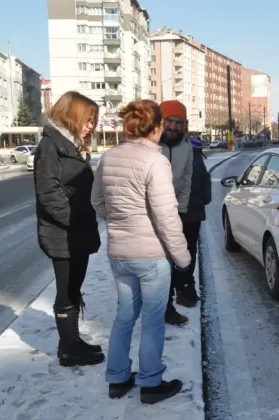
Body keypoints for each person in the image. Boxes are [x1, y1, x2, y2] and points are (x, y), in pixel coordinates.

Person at [91, 100, 191, 404]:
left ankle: (118, 378)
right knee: (152, 320)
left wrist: (122, 221)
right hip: (150, 256)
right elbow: (166, 216)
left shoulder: (109, 157)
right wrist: (183, 259)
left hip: (119, 254)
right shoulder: (155, 161)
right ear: (156, 127)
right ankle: (150, 382)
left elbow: (97, 201)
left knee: (124, 316)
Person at [33, 91, 104, 367]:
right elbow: (48, 191)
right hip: (63, 232)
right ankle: (69, 350)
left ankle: (72, 342)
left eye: (93, 121)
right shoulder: (51, 146)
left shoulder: (70, 144)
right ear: (72, 115)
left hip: (77, 231)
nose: (90, 126)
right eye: (88, 120)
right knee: (66, 289)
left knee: (74, 287)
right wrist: (73, 218)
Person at [157, 100, 194, 325]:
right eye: (168, 121)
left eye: (178, 122)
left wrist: (180, 211)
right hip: (149, 214)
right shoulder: (150, 144)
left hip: (173, 214)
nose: (172, 127)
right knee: (154, 265)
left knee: (169, 264)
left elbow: (187, 179)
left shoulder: (186, 146)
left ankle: (167, 308)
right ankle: (152, 307)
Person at [178, 136, 212, 306]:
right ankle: (186, 287)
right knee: (190, 249)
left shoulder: (173, 156)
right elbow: (206, 189)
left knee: (173, 249)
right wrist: (201, 201)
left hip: (174, 213)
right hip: (193, 213)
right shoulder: (198, 159)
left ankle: (177, 283)